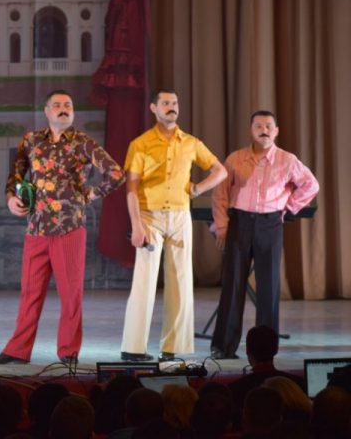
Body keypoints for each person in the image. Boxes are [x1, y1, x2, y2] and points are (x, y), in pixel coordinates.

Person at [0, 90, 125, 365]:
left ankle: (68, 352)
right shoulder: (31, 140)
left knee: (70, 295)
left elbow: (116, 173)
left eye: (68, 105)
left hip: (69, 227)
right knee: (30, 293)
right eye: (57, 105)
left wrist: (91, 193)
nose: (63, 108)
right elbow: (16, 175)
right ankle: (17, 351)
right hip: (36, 227)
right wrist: (11, 198)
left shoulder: (83, 142)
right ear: (46, 111)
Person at [120, 90, 227, 362]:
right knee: (144, 281)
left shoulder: (190, 142)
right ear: (153, 108)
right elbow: (131, 188)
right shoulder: (141, 144)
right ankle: (133, 348)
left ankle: (172, 348)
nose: (172, 107)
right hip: (149, 215)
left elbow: (220, 171)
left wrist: (198, 188)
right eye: (166, 103)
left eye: (175, 103)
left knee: (181, 280)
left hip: (180, 215)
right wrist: (136, 225)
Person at [210, 110, 319, 359]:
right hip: (239, 223)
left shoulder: (287, 160)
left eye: (269, 126)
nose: (264, 130)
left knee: (268, 288)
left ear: (276, 131)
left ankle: (265, 351)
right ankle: (223, 347)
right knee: (233, 284)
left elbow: (311, 184)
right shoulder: (235, 158)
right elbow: (220, 193)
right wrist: (222, 226)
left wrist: (289, 207)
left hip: (270, 224)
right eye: (258, 126)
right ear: (251, 131)